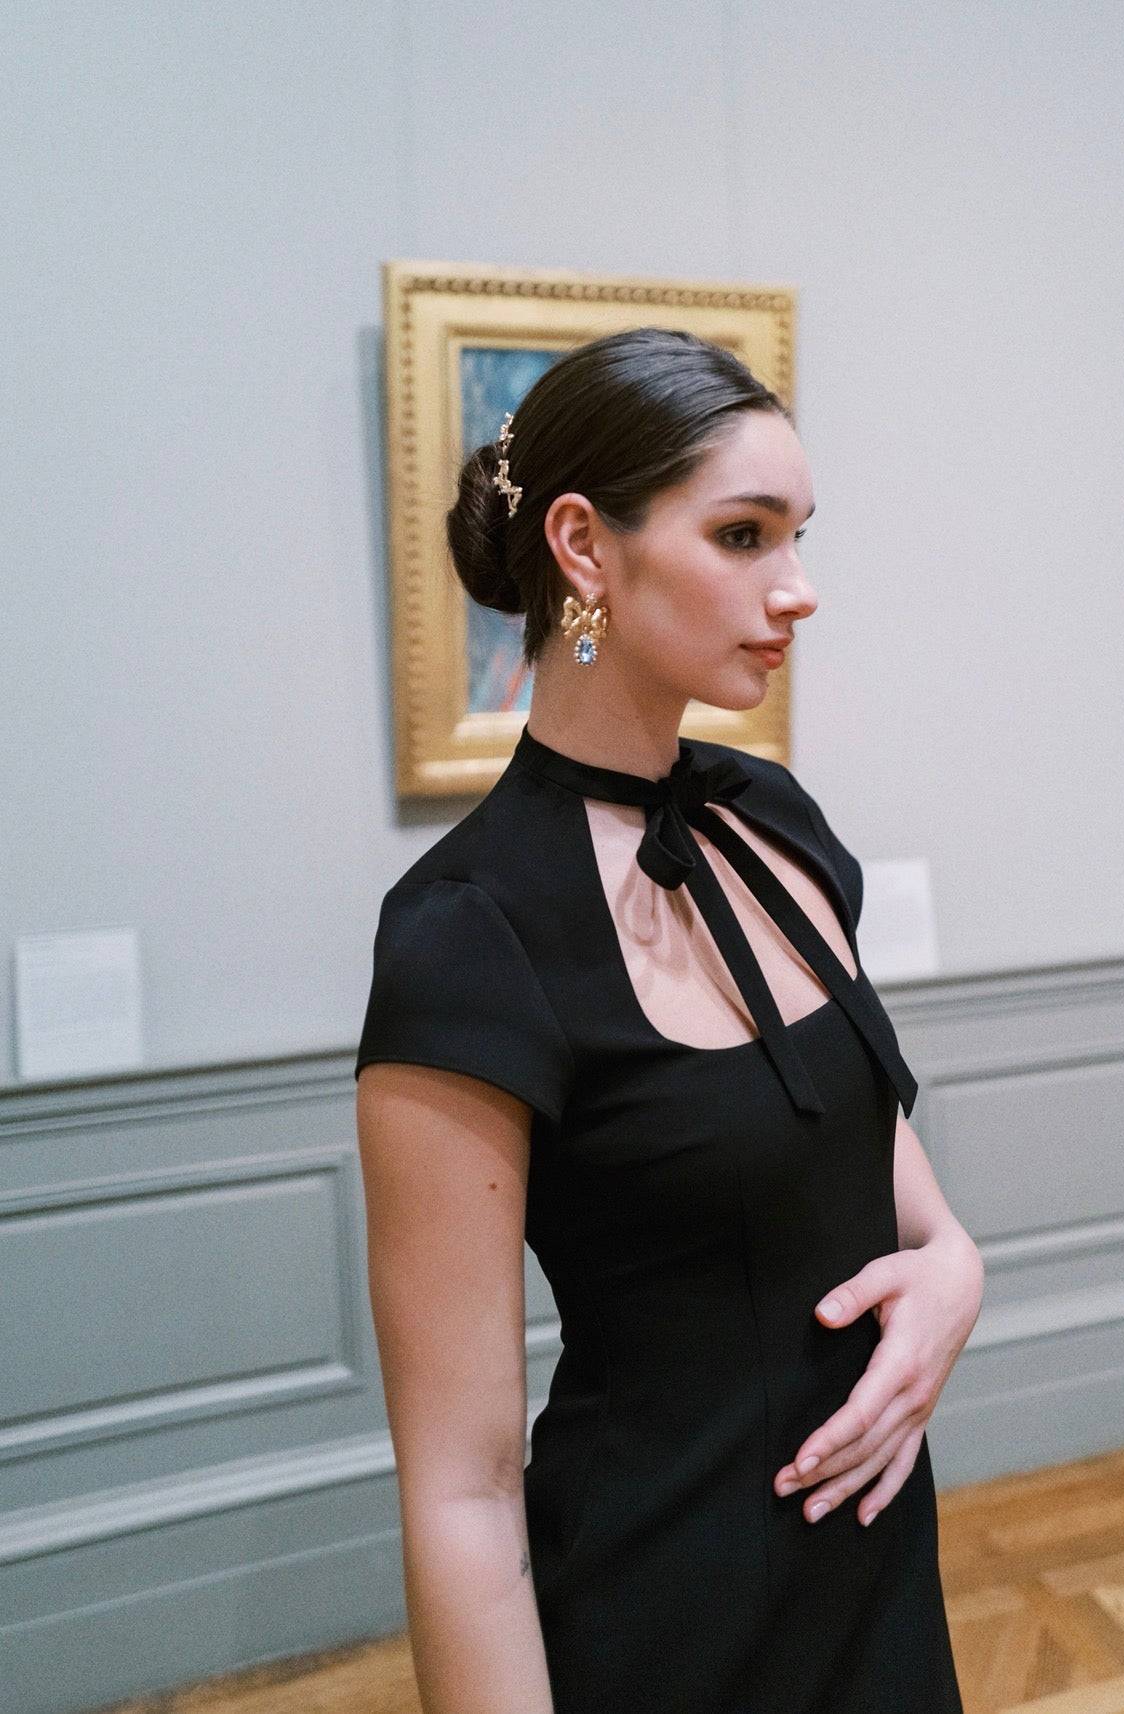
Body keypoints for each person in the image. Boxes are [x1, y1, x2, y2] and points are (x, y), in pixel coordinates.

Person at [354, 326, 982, 1713]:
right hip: (663, 1610)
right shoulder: (467, 931)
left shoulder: (774, 818)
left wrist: (952, 1269)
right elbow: (461, 1489)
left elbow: (865, 1154)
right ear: (584, 546)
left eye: (798, 536)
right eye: (743, 535)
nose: (797, 588)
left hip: (872, 1574)